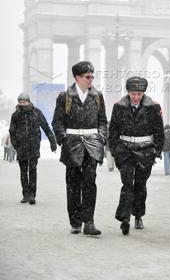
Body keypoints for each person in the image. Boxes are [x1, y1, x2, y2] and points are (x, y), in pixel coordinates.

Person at [52, 61, 107, 236]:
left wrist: (101, 138)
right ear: (77, 77)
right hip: (72, 144)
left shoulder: (97, 96)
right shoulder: (65, 96)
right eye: (87, 77)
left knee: (90, 184)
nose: (91, 79)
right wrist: (64, 140)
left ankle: (89, 222)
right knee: (73, 185)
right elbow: (57, 122)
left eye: (92, 76)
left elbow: (103, 122)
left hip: (92, 144)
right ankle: (75, 221)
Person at [109, 76, 164, 235]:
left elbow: (158, 130)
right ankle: (125, 219)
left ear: (143, 93)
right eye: (133, 93)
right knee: (127, 184)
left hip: (145, 150)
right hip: (125, 150)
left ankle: (138, 214)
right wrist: (114, 150)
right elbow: (113, 130)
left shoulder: (153, 107)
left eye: (139, 94)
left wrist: (157, 150)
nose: (136, 97)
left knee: (140, 185)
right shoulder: (119, 107)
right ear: (128, 92)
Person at [9, 92, 57, 204]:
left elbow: (46, 127)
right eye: (20, 102)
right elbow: (12, 131)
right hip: (21, 147)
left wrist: (52, 142)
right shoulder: (15, 115)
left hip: (34, 146)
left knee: (33, 170)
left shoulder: (37, 113)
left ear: (29, 101)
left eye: (24, 102)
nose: (22, 104)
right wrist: (16, 143)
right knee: (23, 171)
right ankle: (25, 194)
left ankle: (32, 195)